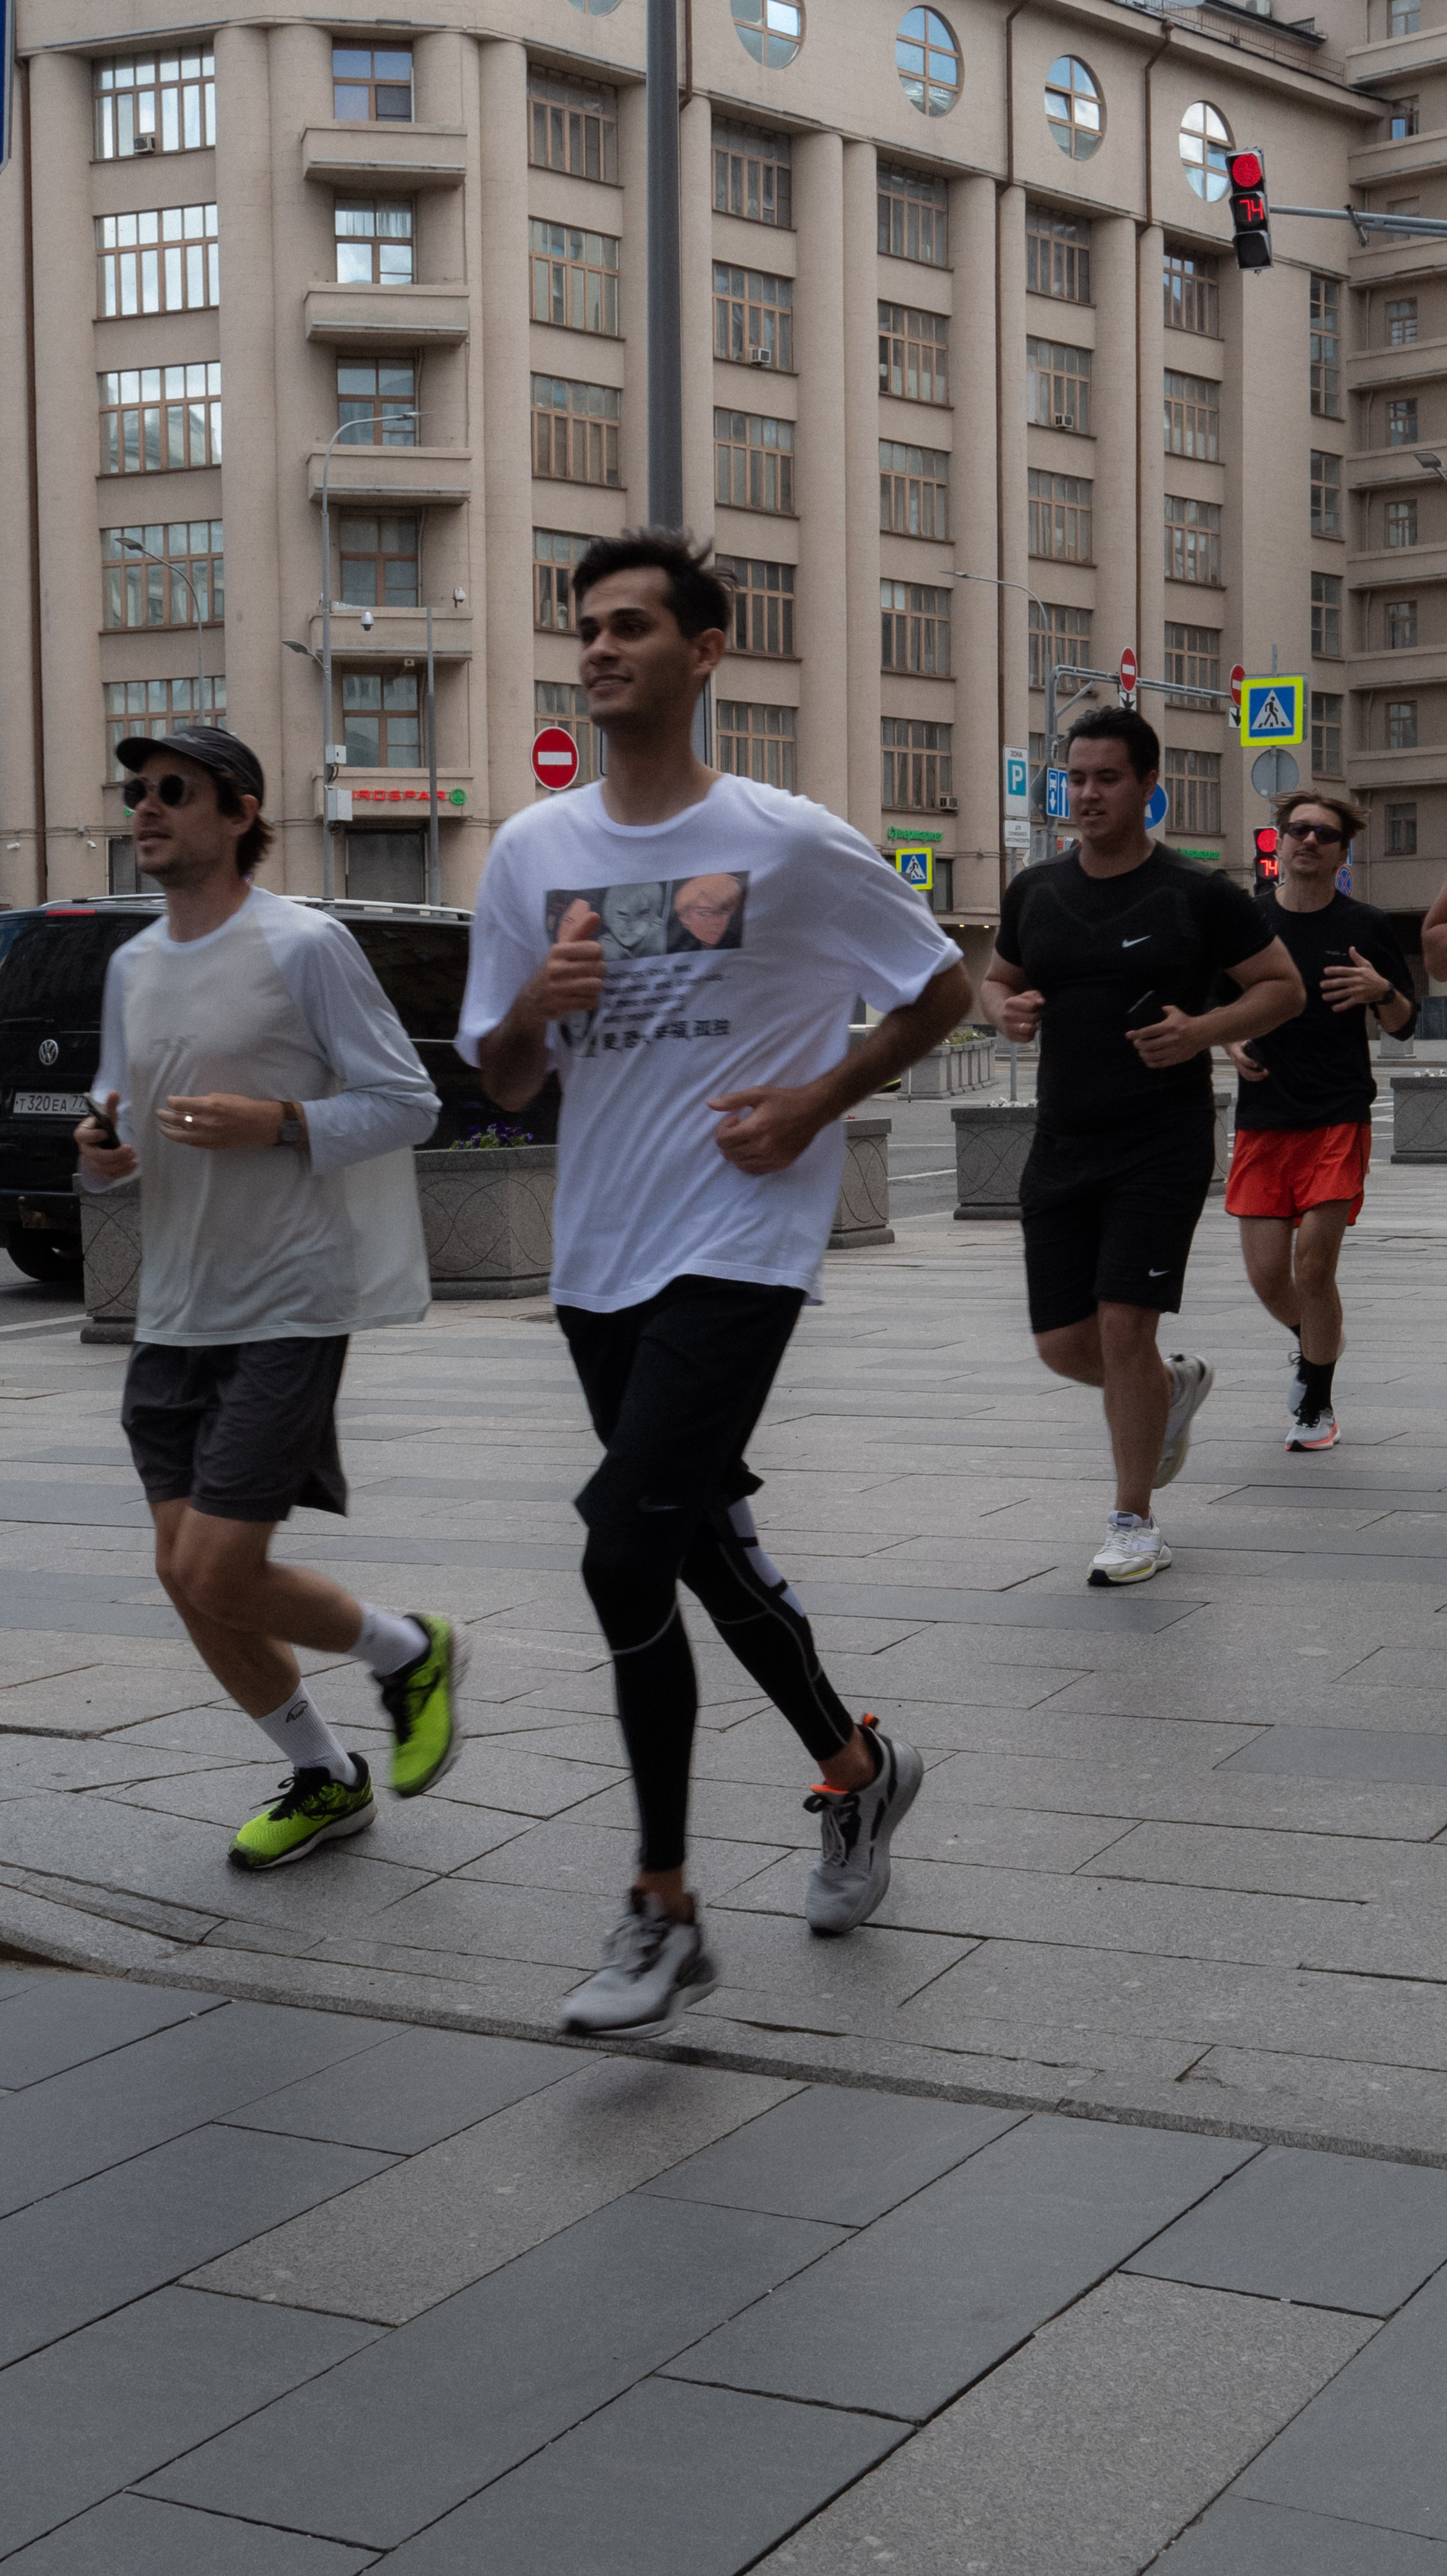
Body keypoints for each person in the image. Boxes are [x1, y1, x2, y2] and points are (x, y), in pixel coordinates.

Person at [457, 530, 971, 2038]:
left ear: (705, 651)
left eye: (630, 626)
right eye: (586, 629)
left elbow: (939, 983)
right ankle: (861, 1767)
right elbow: (499, 1074)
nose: (600, 648)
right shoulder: (529, 851)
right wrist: (533, 1018)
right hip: (597, 1253)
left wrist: (817, 1101)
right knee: (695, 1546)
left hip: (739, 1242)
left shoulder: (789, 840)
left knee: (622, 1544)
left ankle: (664, 1904)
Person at [74, 727, 465, 1870]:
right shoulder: (132, 966)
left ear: (240, 813)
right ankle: (323, 1774)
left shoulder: (307, 945)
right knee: (181, 1573)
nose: (147, 808)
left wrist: (282, 1123)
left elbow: (408, 1102)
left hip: (288, 1300)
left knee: (217, 1568)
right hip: (173, 1306)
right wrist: (105, 1148)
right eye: (138, 791)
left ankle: (408, 1649)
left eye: (174, 792)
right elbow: (119, 1110)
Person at [980, 708, 1304, 1586]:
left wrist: (1201, 1030)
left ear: (1149, 789)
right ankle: (1171, 1389)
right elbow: (1000, 978)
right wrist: (999, 1010)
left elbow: (1283, 990)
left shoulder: (1197, 895)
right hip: (1061, 1142)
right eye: (1075, 778)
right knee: (1061, 1344)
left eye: (1106, 778)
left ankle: (1133, 1523)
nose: (1086, 794)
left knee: (1125, 1326)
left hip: (1158, 1142)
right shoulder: (1036, 892)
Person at [1224, 790, 1415, 1450]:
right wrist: (1230, 1043)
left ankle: (1316, 1399)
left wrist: (1382, 991)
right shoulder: (1248, 922)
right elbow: (1221, 1004)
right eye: (1298, 829)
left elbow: (1402, 1024)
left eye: (1324, 834)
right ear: (1278, 840)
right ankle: (1320, 1342)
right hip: (1263, 1114)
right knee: (1266, 1274)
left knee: (1313, 1265)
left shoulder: (1364, 923)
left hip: (1337, 1111)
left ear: (1341, 851)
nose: (1309, 841)